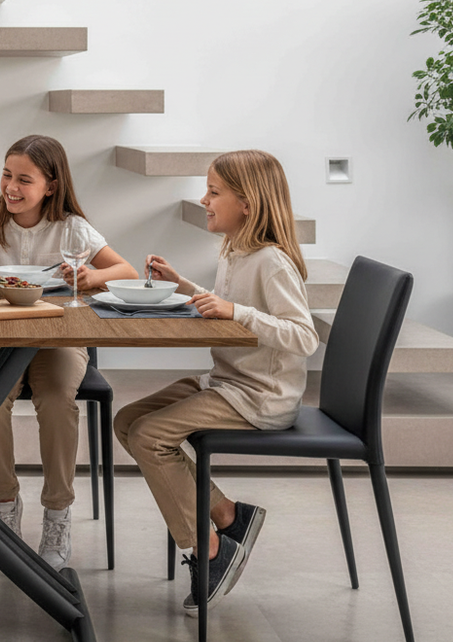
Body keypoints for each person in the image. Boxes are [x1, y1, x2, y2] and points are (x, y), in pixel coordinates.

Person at [115, 149, 319, 614]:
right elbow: (228, 306)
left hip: (259, 396)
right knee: (128, 420)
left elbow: (304, 336)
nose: (203, 199)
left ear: (247, 203)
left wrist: (236, 313)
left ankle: (209, 548)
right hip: (227, 381)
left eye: (213, 191)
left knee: (150, 437)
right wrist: (183, 285)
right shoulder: (234, 250)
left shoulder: (272, 262)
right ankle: (228, 514)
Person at [0, 134, 138, 570]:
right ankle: (5, 505)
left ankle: (57, 513)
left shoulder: (71, 227)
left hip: (59, 333)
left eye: (24, 179)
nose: (11, 186)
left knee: (57, 398)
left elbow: (126, 270)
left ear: (50, 184)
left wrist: (87, 275)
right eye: (7, 175)